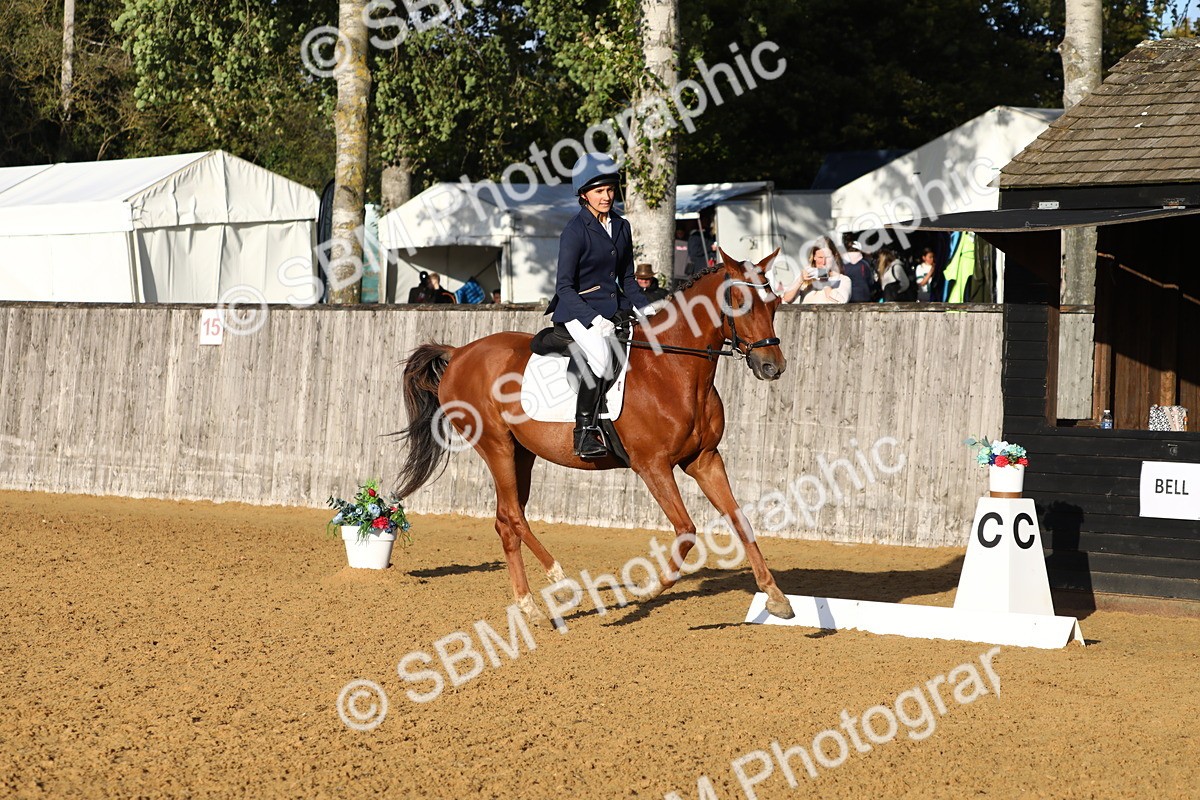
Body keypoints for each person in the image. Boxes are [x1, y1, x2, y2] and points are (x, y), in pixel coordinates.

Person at [544, 152, 651, 459]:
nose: (606, 196)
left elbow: (628, 278)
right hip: (577, 310)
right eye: (599, 191)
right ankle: (583, 433)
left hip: (613, 307)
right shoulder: (575, 231)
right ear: (584, 195)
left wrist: (647, 308)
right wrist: (592, 319)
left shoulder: (621, 226)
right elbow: (563, 287)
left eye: (610, 190)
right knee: (602, 359)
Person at [781, 238, 849, 304]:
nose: (823, 262)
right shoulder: (807, 277)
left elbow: (841, 302)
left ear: (834, 257)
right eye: (820, 257)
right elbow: (786, 299)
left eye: (828, 257)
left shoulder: (843, 280)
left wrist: (825, 281)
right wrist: (800, 280)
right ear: (814, 257)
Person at [841, 237, 878, 303]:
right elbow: (871, 281)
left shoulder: (841, 264)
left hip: (846, 298)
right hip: (864, 297)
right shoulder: (864, 264)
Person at [686, 207, 716, 275]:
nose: (708, 222)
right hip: (700, 267)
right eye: (706, 220)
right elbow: (694, 252)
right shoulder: (695, 236)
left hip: (710, 265)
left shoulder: (708, 234)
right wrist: (710, 248)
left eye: (709, 220)